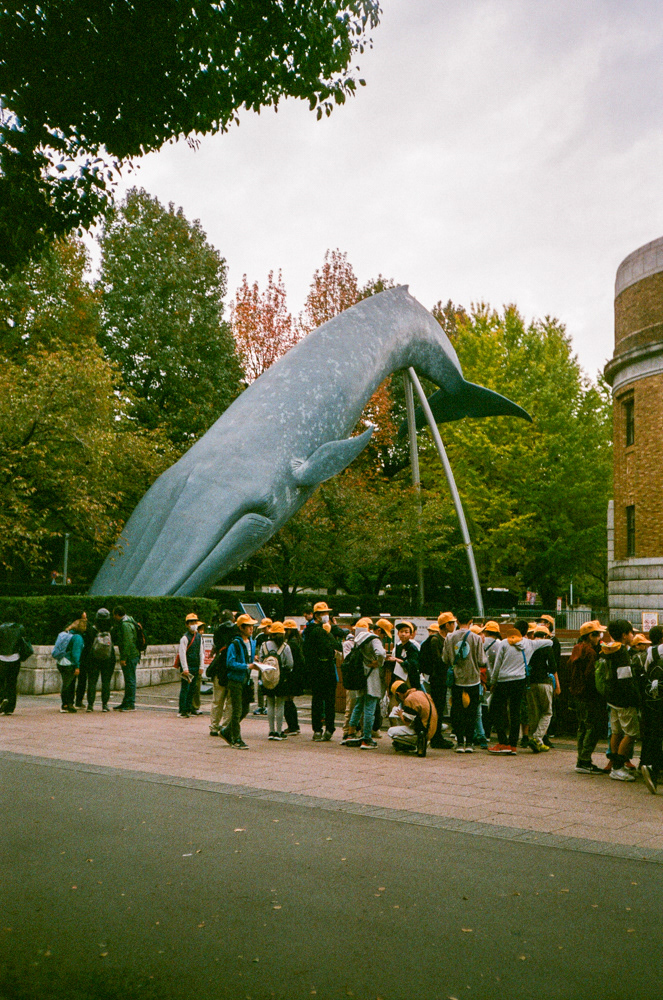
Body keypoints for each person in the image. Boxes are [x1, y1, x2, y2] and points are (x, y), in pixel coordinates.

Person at [487, 619, 552, 754]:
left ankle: (502, 741)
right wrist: (534, 639)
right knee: (515, 712)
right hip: (519, 681)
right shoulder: (530, 644)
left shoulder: (504, 643)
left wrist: (493, 682)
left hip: (503, 681)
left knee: (495, 709)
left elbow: (497, 665)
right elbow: (549, 642)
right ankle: (513, 745)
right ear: (526, 632)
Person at [598, 619, 640, 782]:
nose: (633, 635)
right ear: (624, 635)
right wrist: (634, 699)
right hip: (623, 700)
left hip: (611, 698)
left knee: (616, 732)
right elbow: (625, 679)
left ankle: (615, 765)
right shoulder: (622, 652)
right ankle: (618, 767)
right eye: (631, 633)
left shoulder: (608, 649)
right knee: (631, 734)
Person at [442, 609, 486, 753]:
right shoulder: (476, 638)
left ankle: (460, 742)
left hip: (456, 679)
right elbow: (482, 660)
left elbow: (445, 659)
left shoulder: (449, 637)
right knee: (472, 712)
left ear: (457, 621)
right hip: (473, 679)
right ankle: (470, 743)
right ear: (471, 622)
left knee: (457, 711)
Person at [567, 620, 607, 774]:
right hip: (589, 695)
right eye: (597, 634)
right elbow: (591, 675)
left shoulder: (577, 648)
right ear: (591, 636)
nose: (599, 637)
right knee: (593, 727)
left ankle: (582, 759)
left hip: (577, 694)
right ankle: (584, 760)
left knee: (582, 727)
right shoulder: (590, 653)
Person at [342, 618, 386, 749]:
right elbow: (381, 653)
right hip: (371, 676)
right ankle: (367, 738)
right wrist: (379, 662)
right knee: (369, 708)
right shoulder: (374, 639)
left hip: (360, 676)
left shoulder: (358, 639)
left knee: (359, 705)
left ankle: (350, 734)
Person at [304, 601, 342, 742]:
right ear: (317, 615)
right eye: (323, 613)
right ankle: (321, 729)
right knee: (321, 701)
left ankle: (326, 728)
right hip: (320, 668)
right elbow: (333, 645)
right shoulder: (315, 630)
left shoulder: (324, 628)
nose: (326, 615)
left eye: (327, 613)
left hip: (324, 667)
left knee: (326, 700)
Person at [224, 613, 258, 749]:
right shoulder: (235, 643)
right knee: (237, 710)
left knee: (245, 709)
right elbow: (230, 663)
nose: (251, 629)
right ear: (241, 628)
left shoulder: (251, 642)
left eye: (252, 626)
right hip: (236, 680)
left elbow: (249, 659)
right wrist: (247, 666)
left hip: (246, 680)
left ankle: (227, 731)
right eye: (248, 626)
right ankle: (236, 738)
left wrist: (254, 662)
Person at [525, 624, 560, 753]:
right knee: (547, 712)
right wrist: (557, 685)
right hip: (544, 683)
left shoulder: (529, 647)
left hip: (530, 684)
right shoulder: (547, 647)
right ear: (546, 636)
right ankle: (537, 738)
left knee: (534, 713)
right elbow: (553, 667)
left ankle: (537, 741)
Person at [257, 621, 293, 740]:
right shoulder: (285, 647)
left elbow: (261, 660)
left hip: (267, 677)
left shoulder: (264, 645)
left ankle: (271, 731)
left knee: (270, 703)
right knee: (280, 704)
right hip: (281, 678)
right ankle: (278, 731)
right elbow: (290, 664)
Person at [387, 680, 438, 757]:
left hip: (424, 732)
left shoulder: (409, 699)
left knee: (391, 731)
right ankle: (422, 741)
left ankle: (413, 744)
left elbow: (408, 723)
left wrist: (401, 715)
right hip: (431, 728)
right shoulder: (421, 693)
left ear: (398, 694)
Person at [641, 625, 663, 795]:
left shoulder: (652, 651)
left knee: (656, 733)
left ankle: (652, 768)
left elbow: (647, 671)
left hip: (655, 698)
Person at [209, 610, 238, 737]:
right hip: (232, 669)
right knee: (230, 701)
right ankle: (225, 727)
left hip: (219, 668)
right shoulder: (237, 630)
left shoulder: (217, 631)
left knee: (217, 701)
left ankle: (214, 727)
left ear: (220, 620)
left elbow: (216, 645)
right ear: (233, 619)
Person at [0, 616, 33, 715]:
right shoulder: (20, 628)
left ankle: (2, 698)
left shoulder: (1, 628)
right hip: (15, 657)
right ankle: (10, 707)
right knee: (12, 682)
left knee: (1, 681)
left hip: (2, 657)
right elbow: (23, 642)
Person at [86, 608, 116, 712]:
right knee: (106, 682)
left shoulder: (93, 629)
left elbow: (88, 644)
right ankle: (105, 705)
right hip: (108, 658)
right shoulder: (111, 630)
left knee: (92, 682)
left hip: (93, 658)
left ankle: (90, 705)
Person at [111, 605, 141, 711]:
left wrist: (123, 658)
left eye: (114, 615)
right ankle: (126, 702)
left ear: (117, 614)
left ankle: (130, 703)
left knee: (130, 680)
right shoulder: (129, 621)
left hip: (130, 656)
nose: (113, 617)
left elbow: (127, 642)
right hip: (133, 655)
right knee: (129, 679)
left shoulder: (125, 625)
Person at [177, 613, 205, 719]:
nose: (193, 624)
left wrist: (201, 666)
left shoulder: (199, 637)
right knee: (185, 688)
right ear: (187, 624)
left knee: (192, 688)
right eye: (191, 622)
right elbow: (182, 654)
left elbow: (201, 652)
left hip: (195, 666)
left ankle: (189, 708)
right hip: (188, 667)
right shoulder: (184, 638)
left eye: (195, 622)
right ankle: (182, 710)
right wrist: (185, 668)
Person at [57, 619, 85, 713]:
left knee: (66, 683)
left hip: (61, 661)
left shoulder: (66, 634)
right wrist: (77, 666)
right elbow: (76, 653)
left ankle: (67, 703)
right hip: (70, 663)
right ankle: (66, 704)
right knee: (69, 685)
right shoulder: (78, 638)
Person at [283, 619, 305, 735]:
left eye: (285, 630)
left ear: (290, 630)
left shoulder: (291, 644)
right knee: (289, 701)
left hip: (292, 675)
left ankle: (292, 726)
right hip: (298, 675)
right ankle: (294, 726)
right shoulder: (299, 641)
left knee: (287, 701)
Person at [388, 621, 421, 690]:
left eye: (406, 632)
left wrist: (400, 661)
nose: (403, 634)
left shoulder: (412, 648)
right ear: (398, 633)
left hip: (410, 680)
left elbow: (413, 665)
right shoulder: (398, 647)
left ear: (411, 634)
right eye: (401, 631)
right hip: (399, 679)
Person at [252, 618, 272, 715]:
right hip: (262, 663)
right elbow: (253, 646)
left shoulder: (274, 635)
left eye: (265, 628)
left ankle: (268, 705)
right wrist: (255, 655)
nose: (263, 630)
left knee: (269, 684)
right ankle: (260, 705)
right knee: (260, 684)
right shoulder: (260, 636)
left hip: (271, 664)